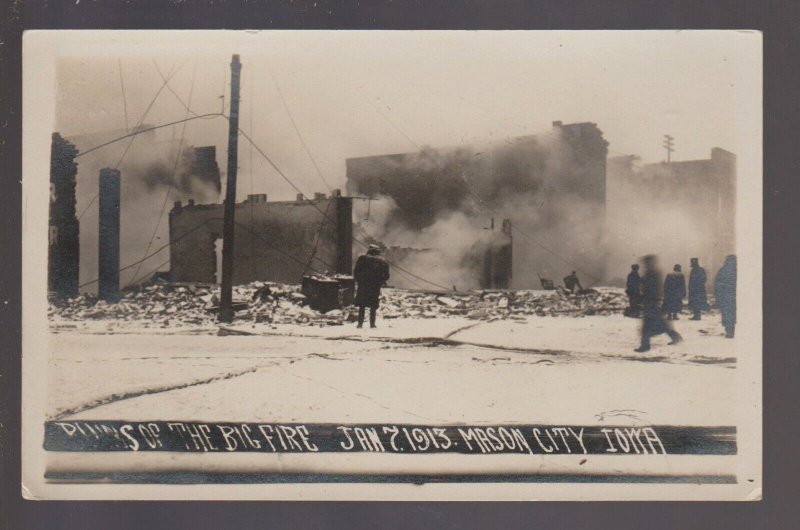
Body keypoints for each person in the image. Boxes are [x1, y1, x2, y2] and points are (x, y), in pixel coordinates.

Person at [635, 255, 682, 352]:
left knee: (650, 325)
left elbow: (653, 287)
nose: (645, 264)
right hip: (651, 301)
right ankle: (675, 337)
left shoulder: (653, 273)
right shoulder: (652, 272)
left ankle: (645, 345)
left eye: (646, 262)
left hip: (651, 301)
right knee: (658, 323)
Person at [353, 244, 390, 329]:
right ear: (377, 252)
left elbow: (356, 271)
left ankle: (360, 324)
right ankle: (372, 324)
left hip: (363, 285)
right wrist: (380, 282)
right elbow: (387, 275)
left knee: (362, 306)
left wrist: (360, 281)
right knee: (373, 306)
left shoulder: (362, 259)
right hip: (374, 286)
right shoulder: (382, 261)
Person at [715, 255, 737, 338]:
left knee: (727, 314)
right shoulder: (737, 270)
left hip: (726, 297)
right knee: (733, 314)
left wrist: (718, 297)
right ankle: (731, 331)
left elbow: (718, 285)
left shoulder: (723, 270)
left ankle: (729, 331)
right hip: (734, 297)